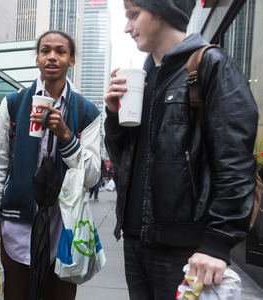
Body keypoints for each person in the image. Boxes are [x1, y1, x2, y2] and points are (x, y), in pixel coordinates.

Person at [104, 1, 258, 299]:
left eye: (133, 15)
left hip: (186, 250)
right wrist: (114, 116)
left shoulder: (211, 65)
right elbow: (120, 161)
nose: (127, 27)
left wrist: (217, 242)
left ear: (162, 11)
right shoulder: (142, 80)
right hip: (135, 240)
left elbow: (236, 163)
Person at [0, 30, 101, 299]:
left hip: (64, 230)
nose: (52, 56)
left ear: (72, 60)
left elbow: (91, 176)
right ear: (37, 59)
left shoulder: (86, 111)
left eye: (61, 51)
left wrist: (66, 137)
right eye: (45, 50)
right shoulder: (14, 103)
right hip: (18, 226)